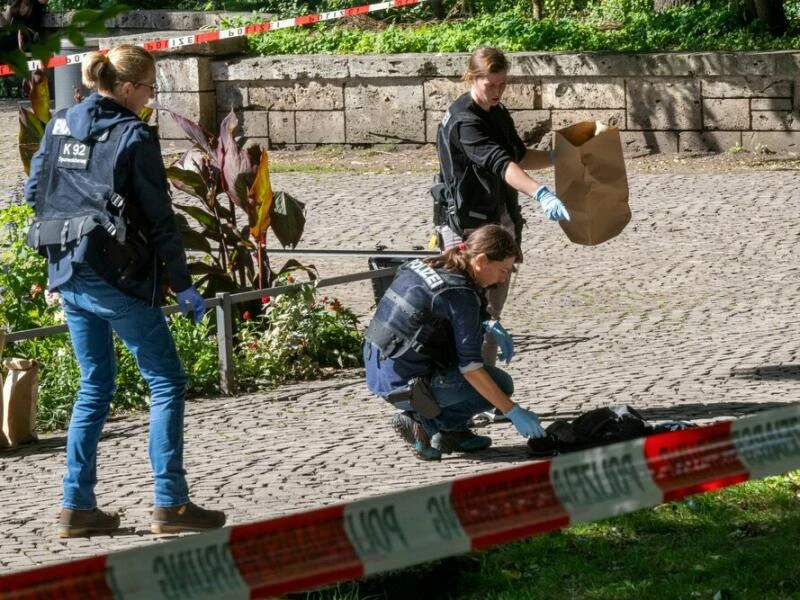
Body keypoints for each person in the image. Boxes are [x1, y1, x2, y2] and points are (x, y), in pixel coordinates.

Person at [24, 44, 226, 537]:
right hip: (117, 277)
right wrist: (183, 285)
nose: (151, 97)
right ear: (129, 88)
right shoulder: (134, 135)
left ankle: (77, 506)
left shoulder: (60, 124)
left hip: (68, 269)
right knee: (166, 380)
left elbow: (33, 194)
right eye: (150, 88)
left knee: (94, 384)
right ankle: (170, 503)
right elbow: (160, 220)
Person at [432, 46, 570, 422]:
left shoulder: (495, 112)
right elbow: (499, 163)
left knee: (490, 312)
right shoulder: (465, 122)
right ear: (471, 78)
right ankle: (469, 399)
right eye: (490, 84)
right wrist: (539, 192)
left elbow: (518, 155)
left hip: (496, 221)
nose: (497, 92)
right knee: (470, 313)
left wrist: (560, 158)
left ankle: (485, 396)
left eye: (503, 84)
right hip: (467, 229)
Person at [363, 224, 548, 461]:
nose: (503, 279)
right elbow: (470, 369)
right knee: (500, 384)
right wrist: (511, 410)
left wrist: (485, 321)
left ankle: (452, 432)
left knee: (488, 381)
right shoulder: (460, 296)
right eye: (503, 270)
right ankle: (426, 426)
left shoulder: (428, 264)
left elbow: (434, 308)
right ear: (481, 260)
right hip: (406, 383)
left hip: (378, 365)